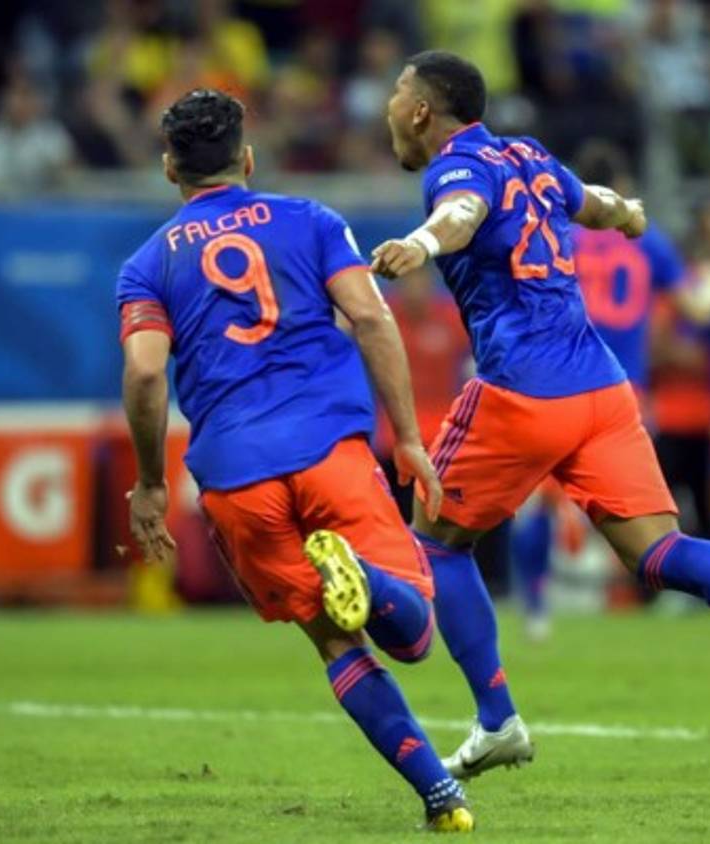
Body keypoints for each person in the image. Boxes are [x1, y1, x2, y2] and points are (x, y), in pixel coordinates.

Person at [371, 51, 710, 780]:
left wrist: (422, 241)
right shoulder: (528, 156)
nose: (388, 109)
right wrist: (627, 215)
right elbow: (587, 200)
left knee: (437, 542)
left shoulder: (454, 167)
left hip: (521, 391)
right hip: (601, 389)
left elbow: (462, 213)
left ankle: (497, 718)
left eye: (395, 96)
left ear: (420, 112)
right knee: (658, 551)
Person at [118, 89, 472, 832]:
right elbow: (371, 315)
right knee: (413, 637)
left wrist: (151, 481)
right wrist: (407, 436)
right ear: (247, 158)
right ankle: (368, 576)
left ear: (168, 169)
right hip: (328, 447)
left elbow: (147, 372)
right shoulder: (309, 221)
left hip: (236, 474)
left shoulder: (146, 266)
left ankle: (440, 794)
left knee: (333, 640)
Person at [510, 141, 686, 637]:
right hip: (624, 388)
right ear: (622, 187)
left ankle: (537, 605)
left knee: (541, 501)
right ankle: (648, 595)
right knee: (635, 505)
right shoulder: (649, 243)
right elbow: (693, 307)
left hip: (558, 382)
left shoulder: (561, 232)